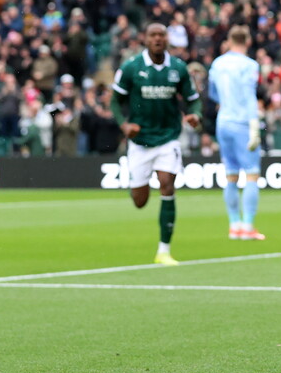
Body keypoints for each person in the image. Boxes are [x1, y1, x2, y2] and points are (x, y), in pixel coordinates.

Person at [111, 23, 202, 265]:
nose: (158, 39)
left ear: (167, 39)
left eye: (162, 35)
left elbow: (194, 100)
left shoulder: (179, 68)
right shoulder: (131, 67)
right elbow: (114, 101)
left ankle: (163, 250)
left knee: (166, 185)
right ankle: (140, 188)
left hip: (168, 138)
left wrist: (195, 115)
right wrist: (124, 125)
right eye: (153, 35)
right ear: (145, 39)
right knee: (140, 201)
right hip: (140, 142)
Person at [208, 25, 265, 241]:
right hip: (242, 122)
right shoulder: (249, 65)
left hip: (223, 122)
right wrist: (254, 124)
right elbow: (249, 94)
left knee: (231, 175)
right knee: (251, 173)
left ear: (229, 41)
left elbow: (213, 93)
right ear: (248, 41)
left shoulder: (218, 63)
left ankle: (234, 226)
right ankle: (248, 226)